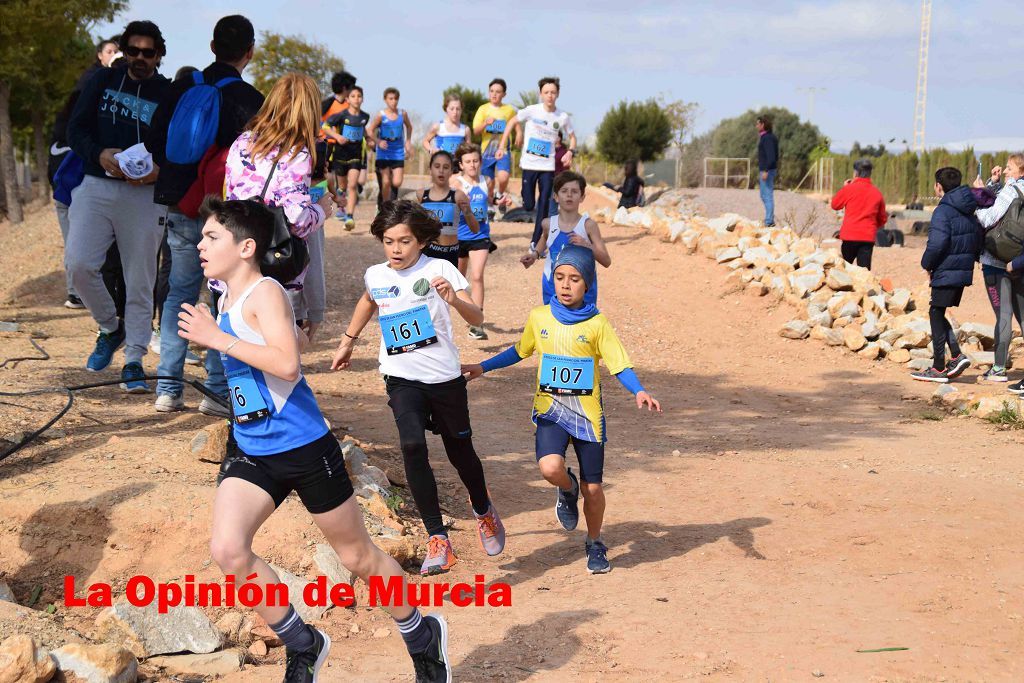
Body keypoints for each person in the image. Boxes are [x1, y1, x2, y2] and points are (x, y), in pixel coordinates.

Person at [177, 196, 452, 683]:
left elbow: (287, 364)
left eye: (211, 236)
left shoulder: (264, 293)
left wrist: (216, 339)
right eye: (202, 236)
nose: (200, 243)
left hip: (304, 448)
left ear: (246, 247)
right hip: (253, 447)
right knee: (229, 549)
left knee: (358, 557)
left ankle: (421, 635)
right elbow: (282, 346)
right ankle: (304, 643)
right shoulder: (226, 297)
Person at [330, 200, 505, 577]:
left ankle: (482, 509)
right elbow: (368, 300)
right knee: (411, 445)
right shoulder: (376, 274)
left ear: (422, 241)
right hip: (400, 376)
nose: (396, 249)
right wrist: (348, 340)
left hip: (443, 378)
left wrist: (455, 299)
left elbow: (477, 315)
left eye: (404, 241)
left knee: (462, 454)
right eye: (389, 241)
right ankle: (438, 539)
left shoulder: (440, 268)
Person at [463, 245, 661, 574]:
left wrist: (638, 389)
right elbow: (519, 350)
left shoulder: (597, 324)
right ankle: (566, 489)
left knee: (594, 489)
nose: (566, 285)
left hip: (587, 417)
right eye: (559, 277)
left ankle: (595, 542)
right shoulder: (539, 317)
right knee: (550, 468)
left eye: (575, 279)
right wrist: (484, 366)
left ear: (588, 285)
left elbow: (618, 364)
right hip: (552, 411)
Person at [145, 14, 265, 415]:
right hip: (226, 214)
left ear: (212, 47)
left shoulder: (182, 87)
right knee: (224, 298)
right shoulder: (251, 100)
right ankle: (215, 391)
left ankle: (167, 389)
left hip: (180, 204)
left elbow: (154, 139)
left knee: (179, 291)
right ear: (249, 52)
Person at [65, 21, 171, 391]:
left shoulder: (168, 93)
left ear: (159, 54)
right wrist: (99, 153)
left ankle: (135, 359)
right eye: (133, 51)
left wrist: (160, 170)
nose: (140, 58)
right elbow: (74, 130)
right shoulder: (101, 81)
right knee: (78, 264)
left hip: (143, 195)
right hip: (96, 184)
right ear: (124, 51)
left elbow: (179, 146)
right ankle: (111, 328)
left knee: (139, 279)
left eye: (148, 52)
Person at [223, 73, 336, 332]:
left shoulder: (243, 141)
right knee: (275, 361)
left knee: (233, 347)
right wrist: (320, 211)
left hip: (235, 257)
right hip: (272, 272)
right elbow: (297, 221)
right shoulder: (298, 153)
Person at [49, 37, 119, 309]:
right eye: (110, 51)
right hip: (74, 184)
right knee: (78, 244)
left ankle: (82, 293)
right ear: (99, 56)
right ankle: (77, 292)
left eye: (117, 51)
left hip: (82, 184)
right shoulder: (91, 87)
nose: (115, 56)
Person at [911, 167, 980, 383]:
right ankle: (957, 356)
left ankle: (939, 367)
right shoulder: (968, 208)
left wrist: (926, 264)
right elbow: (977, 237)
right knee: (938, 311)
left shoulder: (943, 210)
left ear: (938, 186)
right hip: (961, 269)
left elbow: (938, 243)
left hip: (946, 269)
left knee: (935, 312)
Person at [496, 76, 576, 259]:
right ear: (541, 94)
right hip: (529, 165)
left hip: (548, 168)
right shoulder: (532, 111)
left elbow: (573, 137)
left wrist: (570, 151)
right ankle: (527, 203)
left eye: (553, 92)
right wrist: (502, 146)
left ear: (558, 94)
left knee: (544, 205)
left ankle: (535, 242)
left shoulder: (562, 117)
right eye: (546, 92)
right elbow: (511, 122)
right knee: (530, 204)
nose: (550, 96)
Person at [522, 171, 609, 306]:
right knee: (554, 325)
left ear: (582, 197)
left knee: (581, 326)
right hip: (553, 287)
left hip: (584, 291)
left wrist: (587, 245)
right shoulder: (548, 224)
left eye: (574, 191)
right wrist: (534, 255)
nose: (569, 195)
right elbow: (545, 239)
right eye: (564, 191)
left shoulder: (588, 226)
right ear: (556, 197)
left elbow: (606, 261)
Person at [975, 154, 1024, 385]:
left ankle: (998, 368)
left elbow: (988, 218)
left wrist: (977, 198)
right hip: (1019, 261)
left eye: (1009, 168)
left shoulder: (1011, 191)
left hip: (996, 261)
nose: (1004, 171)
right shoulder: (1015, 190)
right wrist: (992, 186)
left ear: (1020, 172)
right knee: (1023, 317)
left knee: (1003, 315)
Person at [454, 143, 495, 340]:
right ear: (461, 164)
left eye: (476, 161)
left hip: (480, 235)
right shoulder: (456, 182)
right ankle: (460, 309)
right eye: (468, 161)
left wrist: (500, 203)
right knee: (458, 280)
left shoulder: (487, 180)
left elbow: (492, 201)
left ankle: (476, 323)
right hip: (458, 236)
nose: (472, 165)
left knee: (477, 276)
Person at [322, 85, 372, 231]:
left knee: (352, 185)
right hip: (340, 155)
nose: (357, 99)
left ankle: (350, 217)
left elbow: (363, 131)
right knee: (342, 186)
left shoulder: (365, 117)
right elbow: (325, 126)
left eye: (359, 96)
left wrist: (368, 139)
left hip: (355, 156)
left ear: (362, 99)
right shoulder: (341, 115)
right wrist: (337, 136)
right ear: (348, 99)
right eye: (353, 96)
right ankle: (340, 197)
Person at [418, 150, 478, 267]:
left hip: (450, 254)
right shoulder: (421, 195)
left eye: (446, 167)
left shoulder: (459, 196)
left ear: (451, 171)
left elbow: (475, 229)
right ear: (430, 169)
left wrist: (468, 213)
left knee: (451, 285)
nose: (441, 171)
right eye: (437, 166)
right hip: (427, 252)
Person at [830, 158, 888, 270]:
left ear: (855, 173)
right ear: (870, 173)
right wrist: (872, 226)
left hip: (849, 236)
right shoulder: (877, 193)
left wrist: (845, 188)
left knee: (845, 271)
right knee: (864, 272)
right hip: (867, 238)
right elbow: (882, 218)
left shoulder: (849, 189)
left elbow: (835, 205)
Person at [473, 78, 517, 211]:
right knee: (489, 182)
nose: (494, 94)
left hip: (502, 149)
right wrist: (486, 123)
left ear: (504, 94)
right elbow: (475, 131)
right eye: (492, 91)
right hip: (486, 151)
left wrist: (519, 133)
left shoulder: (509, 110)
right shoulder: (483, 109)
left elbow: (515, 123)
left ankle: (500, 194)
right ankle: (491, 205)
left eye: (498, 92)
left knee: (503, 177)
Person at [367, 87, 413, 208]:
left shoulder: (402, 113)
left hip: (398, 151)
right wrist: (378, 141)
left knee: (397, 182)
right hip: (384, 152)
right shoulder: (381, 115)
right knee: (386, 181)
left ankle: (385, 200)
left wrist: (408, 142)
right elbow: (370, 130)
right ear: (385, 100)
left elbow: (409, 127)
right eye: (391, 99)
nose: (394, 101)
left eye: (396, 99)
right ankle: (384, 207)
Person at [317, 70, 357, 190]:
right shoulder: (327, 104)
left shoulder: (349, 106)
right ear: (345, 88)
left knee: (342, 176)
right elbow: (318, 123)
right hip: (325, 144)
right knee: (325, 174)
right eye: (351, 87)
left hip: (343, 146)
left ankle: (341, 203)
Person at [756, 115, 779, 227]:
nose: (756, 126)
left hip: (767, 170)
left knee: (767, 195)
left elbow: (771, 156)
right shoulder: (768, 137)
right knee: (764, 194)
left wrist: (766, 170)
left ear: (763, 125)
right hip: (768, 169)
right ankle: (769, 219)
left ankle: (769, 221)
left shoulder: (768, 138)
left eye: (758, 124)